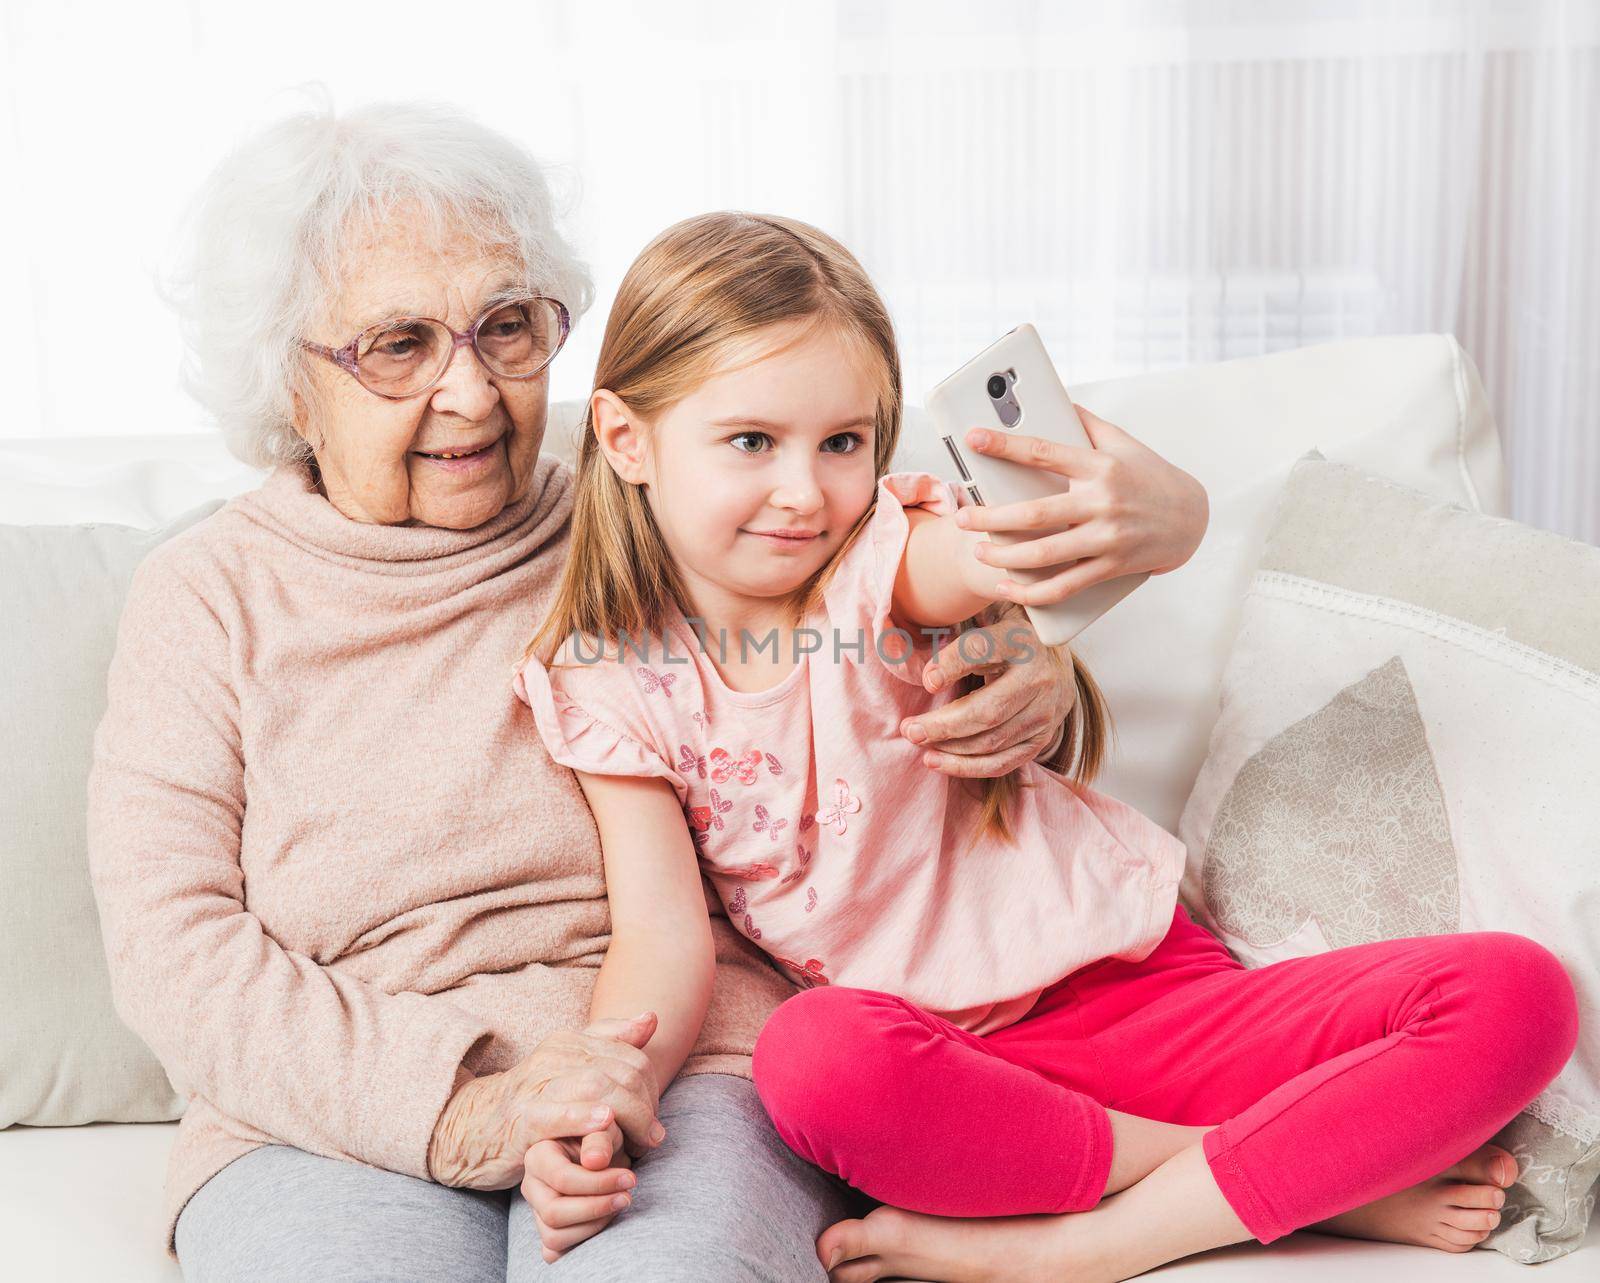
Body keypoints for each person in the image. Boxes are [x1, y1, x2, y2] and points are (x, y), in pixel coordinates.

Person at [85, 103, 1097, 1283]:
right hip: (333, 1109)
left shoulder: (660, 514)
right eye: (400, 345)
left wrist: (1035, 674)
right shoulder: (207, 597)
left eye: (505, 328)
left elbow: (886, 635)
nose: (469, 392)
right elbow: (174, 947)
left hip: (688, 1069)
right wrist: (465, 1108)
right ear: (290, 384)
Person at [515, 210, 1579, 1282]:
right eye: (752, 441)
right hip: (969, 1077)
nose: (806, 490)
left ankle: (1083, 1244)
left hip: (1159, 997)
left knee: (1518, 994)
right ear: (624, 437)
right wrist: (605, 1093)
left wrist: (1165, 518)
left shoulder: (879, 560)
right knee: (811, 1059)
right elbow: (661, 940)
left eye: (841, 441)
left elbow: (996, 552)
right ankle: (1303, 1178)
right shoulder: (609, 682)